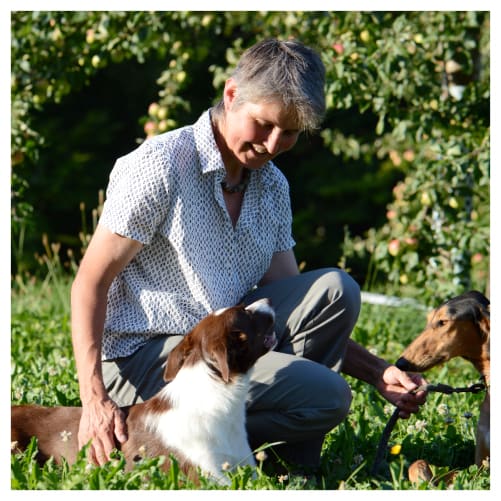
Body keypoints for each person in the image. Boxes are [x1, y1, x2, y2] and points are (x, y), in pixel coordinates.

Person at [71, 38, 427, 472]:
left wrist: (376, 371)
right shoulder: (161, 165)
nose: (274, 144)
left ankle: (280, 456)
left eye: (291, 132)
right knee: (327, 395)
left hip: (227, 352)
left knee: (336, 290)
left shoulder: (273, 187)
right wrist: (93, 398)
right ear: (231, 94)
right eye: (264, 124)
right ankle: (194, 442)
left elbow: (298, 318)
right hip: (152, 363)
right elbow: (91, 282)